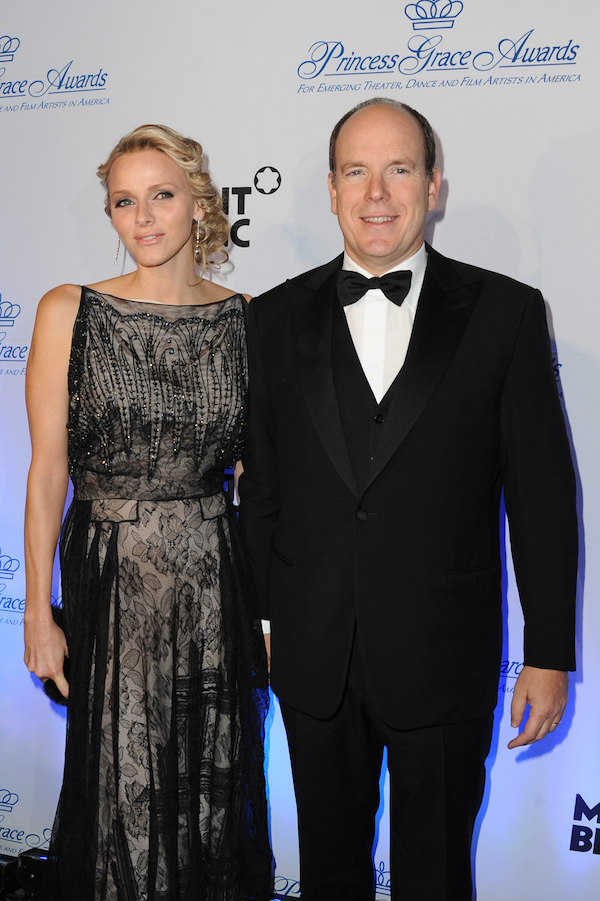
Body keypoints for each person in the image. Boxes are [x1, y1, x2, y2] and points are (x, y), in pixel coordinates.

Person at [239, 98, 577, 901]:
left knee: (434, 878)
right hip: (312, 657)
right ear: (330, 190)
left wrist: (550, 651)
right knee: (327, 873)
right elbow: (263, 490)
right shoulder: (273, 318)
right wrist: (261, 622)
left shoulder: (507, 313)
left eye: (399, 169)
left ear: (434, 187)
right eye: (357, 171)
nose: (377, 192)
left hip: (445, 655)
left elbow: (543, 495)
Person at [23, 124, 273, 901]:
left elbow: (263, 482)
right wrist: (36, 613)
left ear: (199, 205)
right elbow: (46, 475)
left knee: (212, 783)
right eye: (123, 201)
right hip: (112, 576)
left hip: (213, 578)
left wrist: (274, 614)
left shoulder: (248, 319)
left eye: (161, 195)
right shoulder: (71, 310)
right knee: (121, 788)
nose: (143, 217)